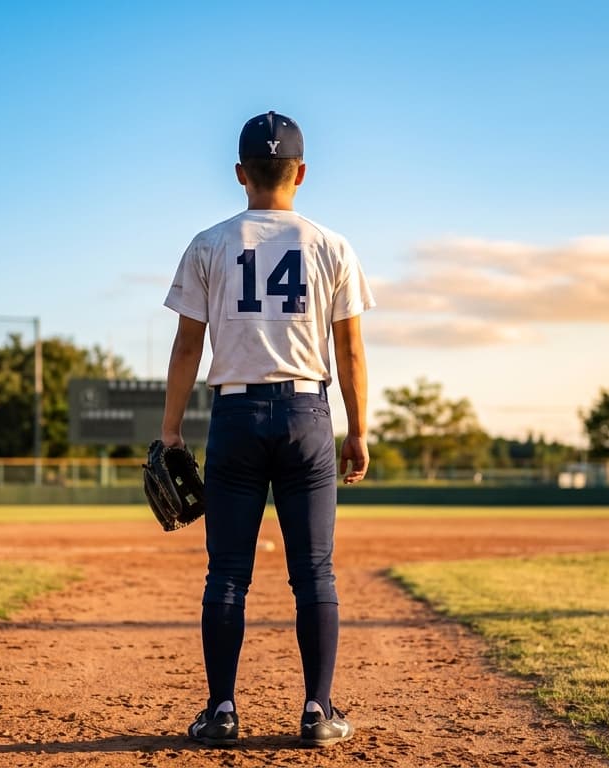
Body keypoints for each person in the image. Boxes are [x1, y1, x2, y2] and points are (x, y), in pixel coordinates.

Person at [160, 110, 375, 748]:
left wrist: (171, 430)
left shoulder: (210, 242)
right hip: (309, 414)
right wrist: (357, 430)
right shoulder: (332, 245)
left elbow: (185, 349)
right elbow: (352, 353)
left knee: (227, 571)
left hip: (234, 415)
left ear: (239, 174)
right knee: (315, 572)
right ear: (301, 173)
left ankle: (222, 711)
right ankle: (318, 711)